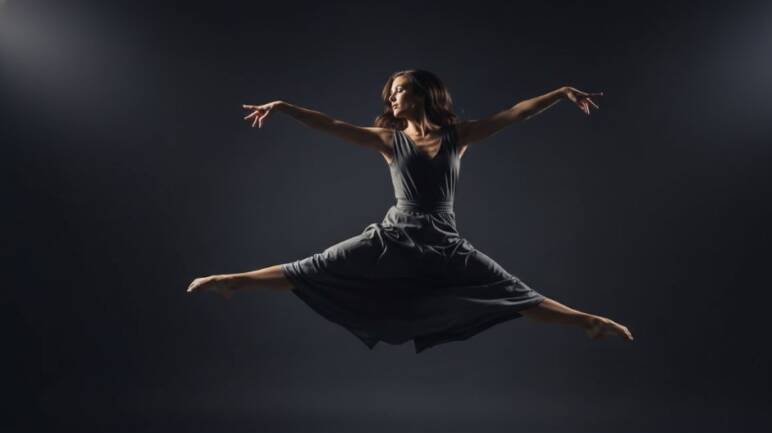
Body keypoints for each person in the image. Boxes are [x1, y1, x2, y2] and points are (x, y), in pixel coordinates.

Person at [187, 69, 634, 353]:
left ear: (422, 94)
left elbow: (514, 113)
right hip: (393, 236)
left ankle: (589, 322)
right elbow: (333, 125)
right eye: (391, 94)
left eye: (400, 90)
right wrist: (284, 108)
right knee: (317, 266)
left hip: (444, 242)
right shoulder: (389, 140)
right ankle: (231, 281)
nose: (393, 99)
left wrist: (560, 92)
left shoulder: (458, 136)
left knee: (509, 291)